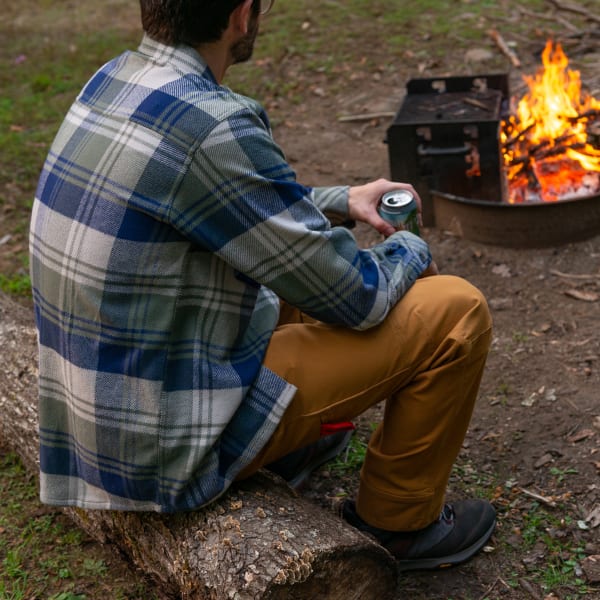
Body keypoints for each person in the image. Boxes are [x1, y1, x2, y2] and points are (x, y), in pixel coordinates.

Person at [29, 0, 496, 572]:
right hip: (162, 453)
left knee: (285, 283)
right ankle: (399, 523)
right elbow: (355, 295)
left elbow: (231, 210)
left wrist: (337, 202)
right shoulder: (214, 123)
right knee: (456, 311)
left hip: (95, 428)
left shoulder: (116, 80)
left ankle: (295, 447)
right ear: (242, 16)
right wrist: (409, 245)